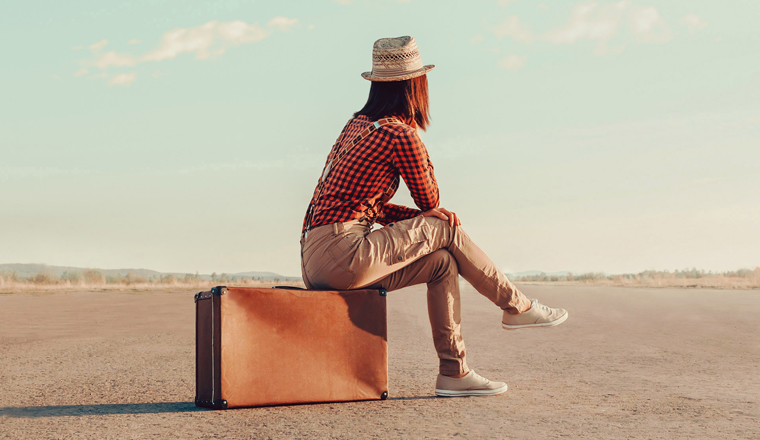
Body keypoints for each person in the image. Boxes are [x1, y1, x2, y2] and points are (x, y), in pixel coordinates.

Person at [300, 36, 568, 398]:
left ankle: (454, 372)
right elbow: (431, 199)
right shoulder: (398, 133)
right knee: (444, 226)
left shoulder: (356, 126)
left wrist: (420, 219)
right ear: (415, 85)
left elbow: (371, 207)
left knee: (442, 262)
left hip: (318, 255)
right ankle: (515, 305)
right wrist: (419, 158)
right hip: (343, 252)